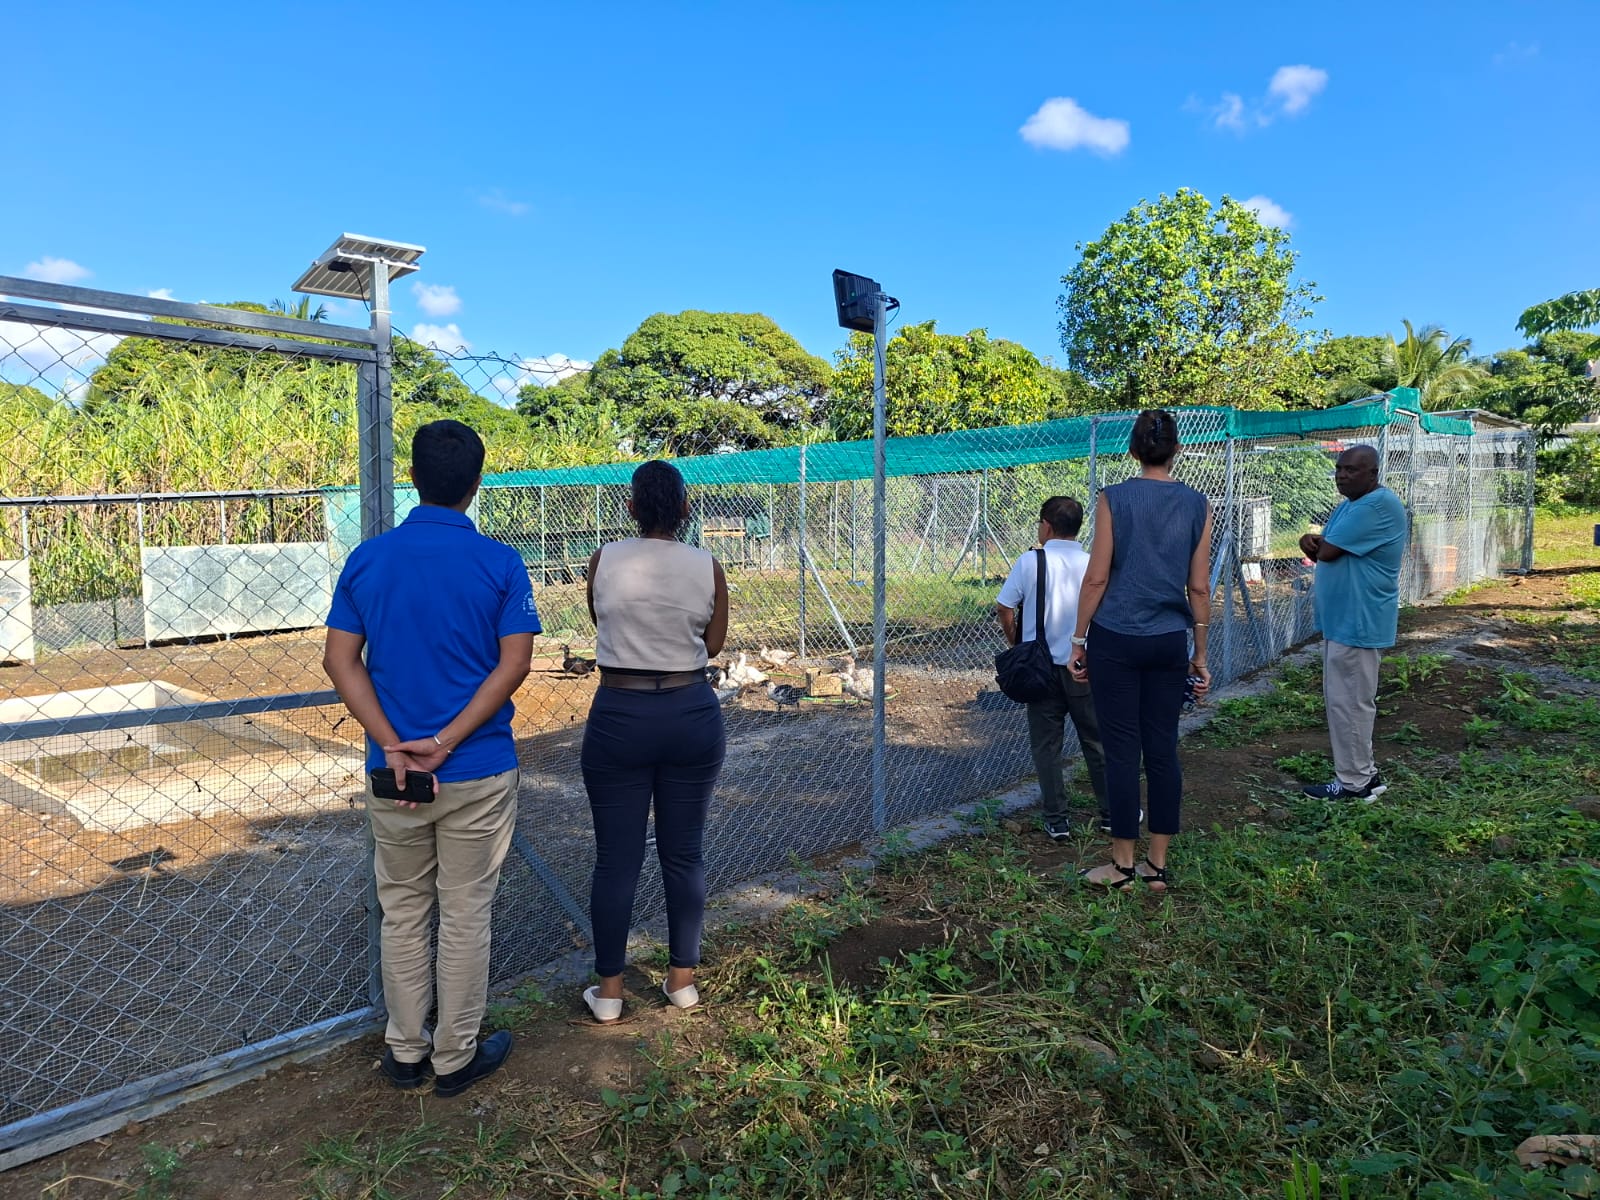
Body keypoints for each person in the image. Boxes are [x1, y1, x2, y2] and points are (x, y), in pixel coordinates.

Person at [323, 420, 538, 1098]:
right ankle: (455, 1057)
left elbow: (339, 660)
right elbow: (515, 664)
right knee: (466, 912)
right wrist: (446, 742)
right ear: (476, 484)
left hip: (396, 777)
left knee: (405, 909)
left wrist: (393, 741)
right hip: (475, 769)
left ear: (412, 477)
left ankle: (404, 1050)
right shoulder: (499, 563)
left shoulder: (368, 559)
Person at [580, 460, 730, 1023]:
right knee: (684, 852)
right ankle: (681, 981)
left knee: (616, 860)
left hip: (620, 710)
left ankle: (611, 994)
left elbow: (601, 619)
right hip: (690, 712)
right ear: (686, 510)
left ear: (631, 507)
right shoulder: (706, 565)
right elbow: (713, 646)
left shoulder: (604, 559)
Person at [1069, 410, 1213, 890]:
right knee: (1163, 751)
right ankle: (1157, 866)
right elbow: (1198, 587)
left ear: (1132, 450)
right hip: (1169, 641)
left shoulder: (1113, 498)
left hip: (1115, 638)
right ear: (1177, 451)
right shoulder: (1197, 504)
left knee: (1121, 751)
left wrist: (1078, 640)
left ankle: (1121, 865)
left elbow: (1097, 576)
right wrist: (1200, 654)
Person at [995, 496, 1109, 841]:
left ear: (1046, 525)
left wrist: (1018, 641)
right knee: (1097, 741)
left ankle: (1057, 820)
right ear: (1079, 527)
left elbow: (1004, 607)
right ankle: (1111, 813)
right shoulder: (1093, 563)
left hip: (1040, 669)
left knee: (1047, 747)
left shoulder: (1031, 561)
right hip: (1084, 667)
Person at [1298, 444, 1407, 801]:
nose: (1342, 475)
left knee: (1349, 703)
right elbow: (1321, 545)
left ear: (1373, 473)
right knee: (1349, 700)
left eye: (1351, 470)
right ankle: (1365, 775)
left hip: (1358, 621)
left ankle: (1354, 784)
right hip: (1346, 620)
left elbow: (1325, 551)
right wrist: (1310, 541)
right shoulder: (1351, 505)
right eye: (1339, 469)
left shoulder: (1377, 505)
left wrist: (1313, 542)